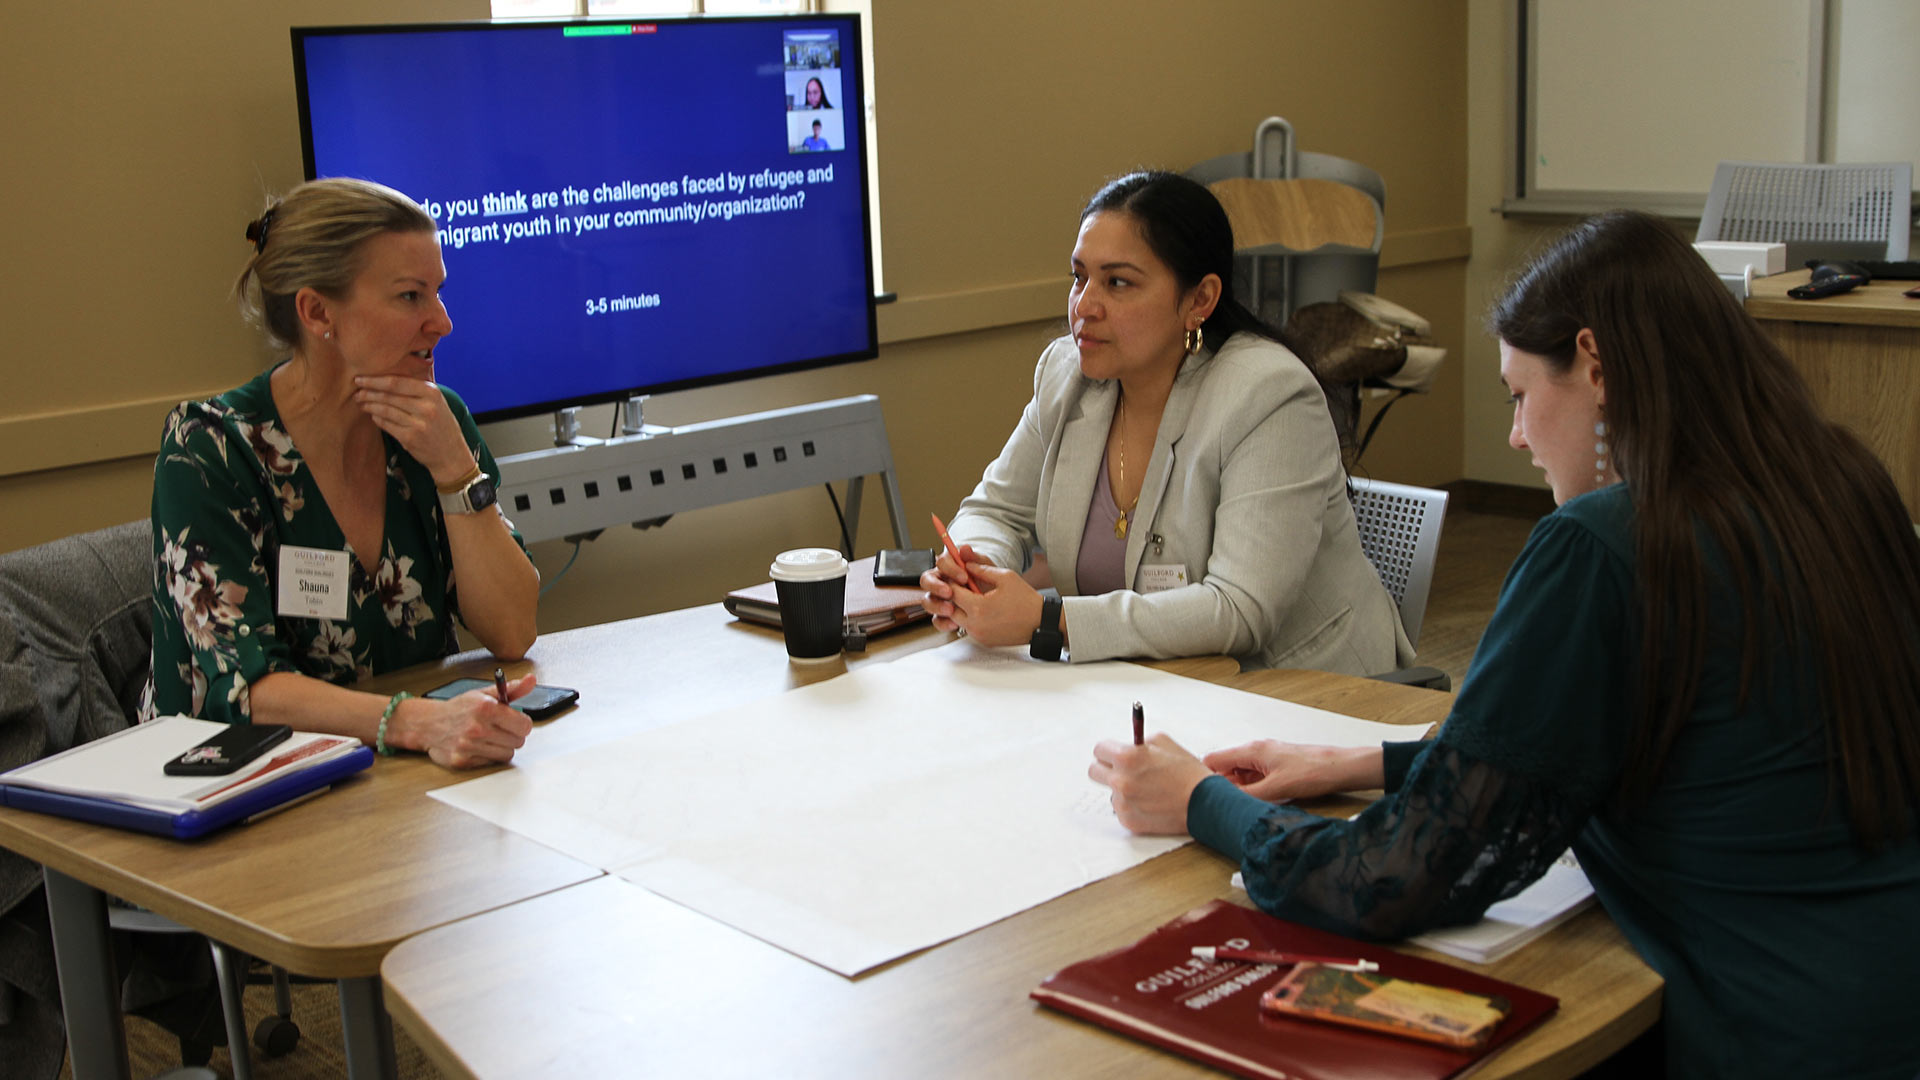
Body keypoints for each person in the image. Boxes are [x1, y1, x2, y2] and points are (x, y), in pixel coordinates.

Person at [1089, 211, 1920, 1078]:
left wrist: (1197, 800)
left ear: (1594, 365)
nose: (1518, 437)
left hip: (1765, 1031)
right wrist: (1360, 762)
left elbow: (1391, 879)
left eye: (1522, 396)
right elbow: (1634, 742)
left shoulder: (1606, 545)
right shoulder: (1841, 488)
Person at [922, 171, 1411, 674]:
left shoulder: (1270, 395)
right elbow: (996, 510)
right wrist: (976, 569)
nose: (1084, 306)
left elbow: (1241, 610)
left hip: (1305, 694)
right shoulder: (1066, 375)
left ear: (1199, 300)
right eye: (1079, 277)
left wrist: (1051, 618)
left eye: (1117, 283)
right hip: (1146, 685)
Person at [145, 177, 544, 769]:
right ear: (316, 311)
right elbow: (250, 691)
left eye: (438, 293)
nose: (442, 322)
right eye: (411, 296)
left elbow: (513, 632)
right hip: (226, 790)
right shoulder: (210, 449)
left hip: (392, 778)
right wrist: (415, 722)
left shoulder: (434, 423)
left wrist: (456, 472)